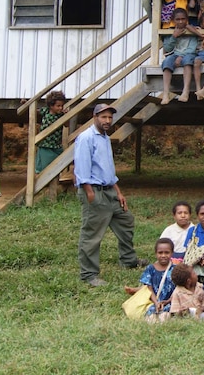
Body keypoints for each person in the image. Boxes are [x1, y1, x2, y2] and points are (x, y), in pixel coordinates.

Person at [73, 104, 140, 286]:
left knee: (126, 221)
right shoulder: (86, 138)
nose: (107, 121)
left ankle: (128, 260)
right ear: (95, 117)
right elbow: (82, 169)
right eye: (104, 117)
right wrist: (90, 193)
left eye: (110, 118)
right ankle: (89, 275)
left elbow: (107, 169)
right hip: (94, 191)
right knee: (92, 234)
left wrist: (119, 192)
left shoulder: (105, 138)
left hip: (110, 190)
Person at [160, 8, 198, 105]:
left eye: (183, 19)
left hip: (188, 54)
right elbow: (167, 48)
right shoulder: (170, 31)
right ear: (173, 20)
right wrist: (174, 36)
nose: (181, 21)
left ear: (187, 19)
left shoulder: (192, 30)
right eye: (178, 19)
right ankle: (166, 92)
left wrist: (181, 56)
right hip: (175, 54)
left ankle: (185, 91)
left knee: (187, 61)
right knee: (167, 61)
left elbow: (193, 47)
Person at [137, 238, 175, 318]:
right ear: (155, 254)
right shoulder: (150, 269)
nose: (163, 255)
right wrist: (156, 302)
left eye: (167, 253)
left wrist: (168, 301)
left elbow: (178, 289)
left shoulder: (176, 270)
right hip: (153, 302)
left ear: (172, 253)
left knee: (165, 316)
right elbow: (148, 289)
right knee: (151, 317)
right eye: (160, 253)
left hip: (170, 303)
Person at [34, 91, 67, 174]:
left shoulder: (61, 115)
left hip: (56, 146)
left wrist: (66, 116)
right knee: (45, 169)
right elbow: (36, 111)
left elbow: (66, 125)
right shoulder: (46, 111)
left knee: (56, 168)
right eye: (58, 106)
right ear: (51, 106)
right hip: (45, 145)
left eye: (62, 106)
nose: (60, 108)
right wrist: (26, 103)